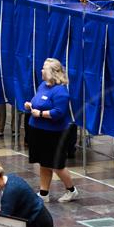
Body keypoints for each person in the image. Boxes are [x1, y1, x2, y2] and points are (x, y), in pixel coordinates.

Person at [24, 58, 78, 202]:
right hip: (38, 131)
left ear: (53, 72)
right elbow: (39, 102)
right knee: (44, 162)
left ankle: (71, 190)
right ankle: (44, 193)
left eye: (44, 68)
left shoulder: (61, 92)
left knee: (57, 165)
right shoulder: (43, 85)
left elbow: (59, 113)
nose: (41, 70)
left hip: (54, 134)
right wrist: (30, 105)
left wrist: (41, 114)